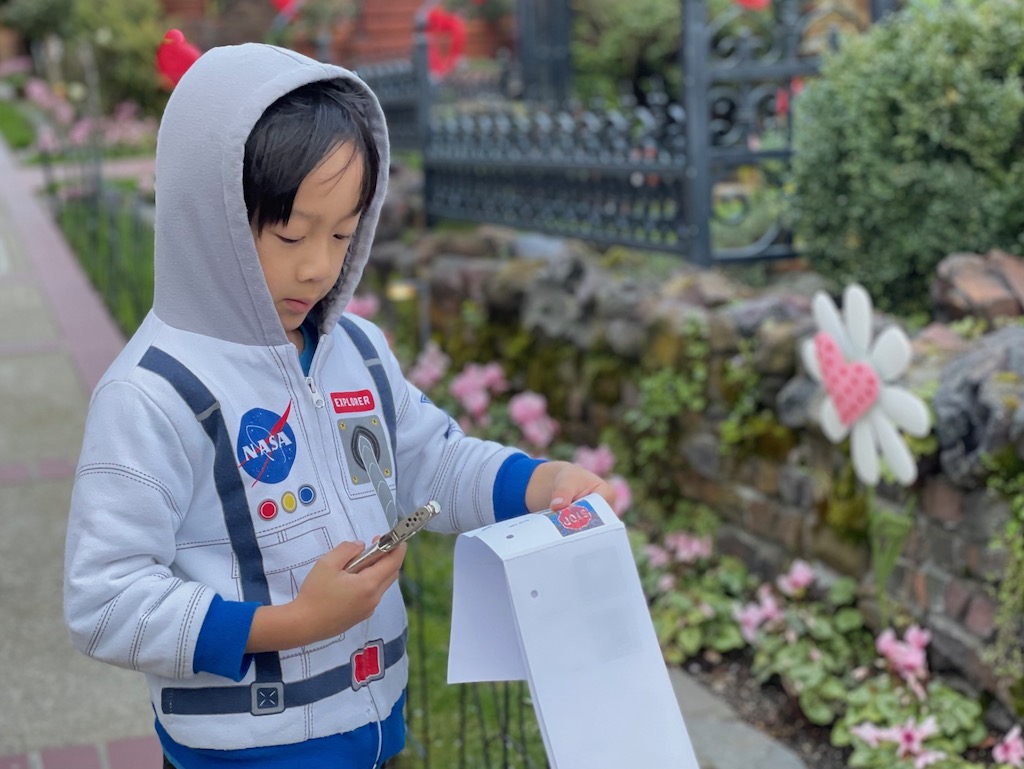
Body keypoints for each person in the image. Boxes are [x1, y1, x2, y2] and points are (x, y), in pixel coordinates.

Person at [62, 41, 614, 769]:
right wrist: (289, 623)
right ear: (211, 217)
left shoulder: (358, 347)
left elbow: (432, 463)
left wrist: (539, 483)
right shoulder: (154, 392)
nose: (320, 265)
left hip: (375, 727)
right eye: (290, 233)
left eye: (344, 233)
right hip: (246, 751)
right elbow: (104, 600)